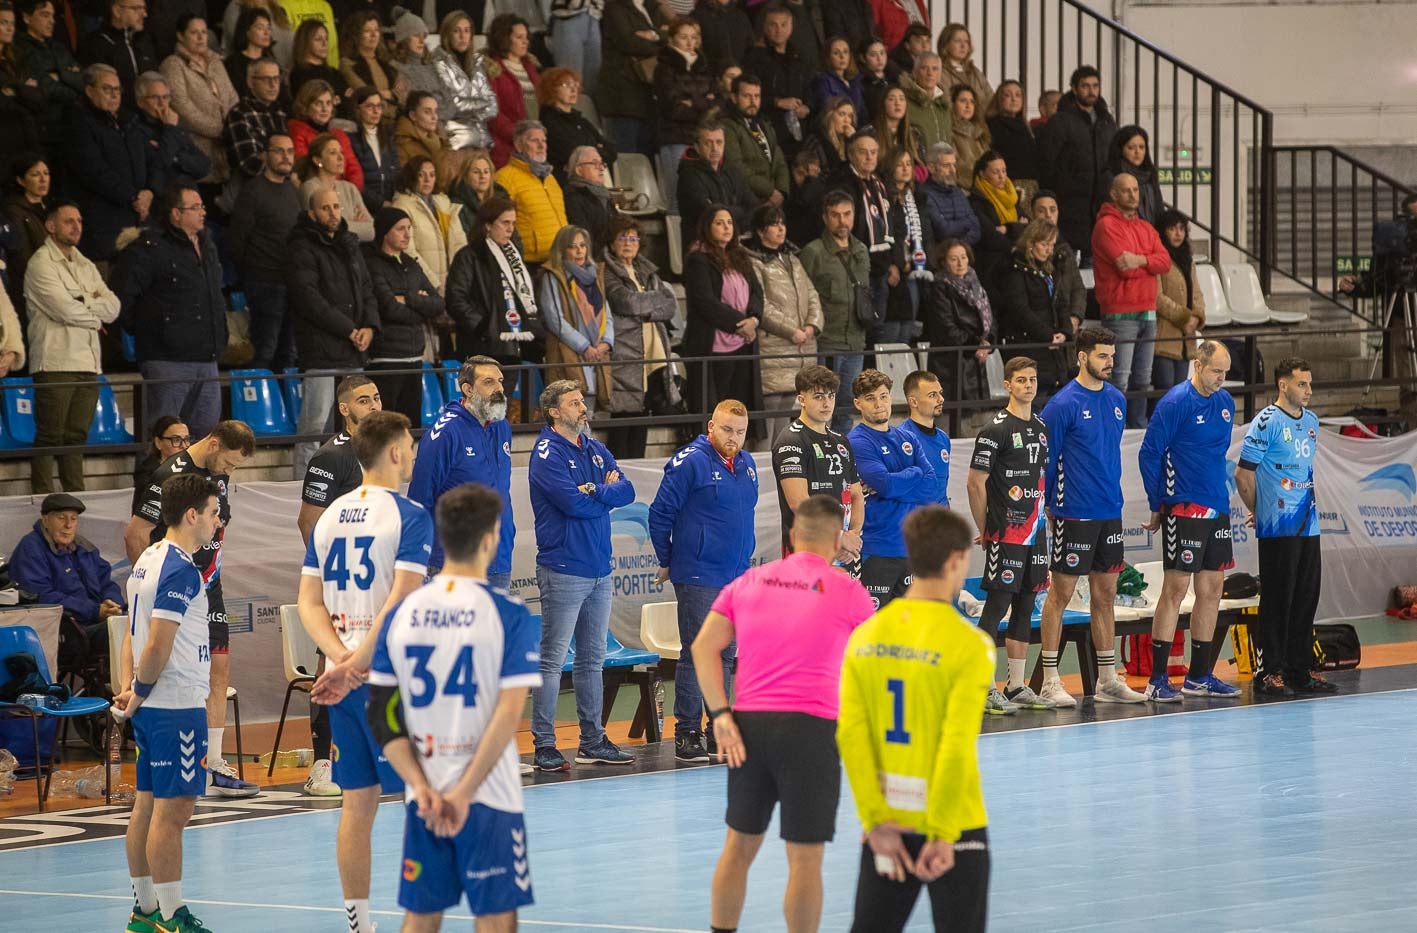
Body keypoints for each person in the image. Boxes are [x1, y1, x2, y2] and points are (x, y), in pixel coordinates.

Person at [355, 482, 538, 930]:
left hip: (426, 796)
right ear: (491, 536)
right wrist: (463, 792)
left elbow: (381, 713)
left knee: (420, 918)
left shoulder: (403, 613)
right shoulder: (509, 614)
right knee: (496, 919)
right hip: (488, 796)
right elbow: (508, 715)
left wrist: (422, 786)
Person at [695, 493, 876, 933]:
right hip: (811, 733)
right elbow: (875, 664)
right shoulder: (850, 592)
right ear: (838, 542)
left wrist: (720, 714)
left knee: (737, 848)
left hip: (749, 728)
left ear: (792, 536)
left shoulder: (749, 581)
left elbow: (703, 647)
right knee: (805, 859)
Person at [297, 410, 431, 933]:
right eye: (411, 448)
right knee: (426, 799)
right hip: (389, 679)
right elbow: (400, 599)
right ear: (395, 452)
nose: (414, 457)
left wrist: (340, 658)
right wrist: (360, 662)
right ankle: (422, 918)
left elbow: (308, 602)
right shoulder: (409, 514)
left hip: (342, 682)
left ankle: (360, 924)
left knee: (357, 806)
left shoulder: (329, 516)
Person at [838, 504, 995, 933]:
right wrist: (943, 833)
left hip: (888, 819)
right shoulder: (971, 645)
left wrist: (875, 822)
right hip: (954, 824)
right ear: (956, 560)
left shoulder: (866, 636)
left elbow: (851, 735)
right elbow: (955, 746)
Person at [125, 420, 259, 798]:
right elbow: (136, 533)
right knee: (170, 665)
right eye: (230, 463)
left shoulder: (217, 473)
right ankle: (175, 765)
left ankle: (212, 763)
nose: (229, 472)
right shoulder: (170, 475)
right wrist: (148, 590)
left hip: (208, 583)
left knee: (219, 667)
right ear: (213, 444)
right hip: (176, 582)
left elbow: (218, 527)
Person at [116, 472, 224, 933]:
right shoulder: (179, 567)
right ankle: (171, 916)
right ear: (192, 514)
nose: (219, 523)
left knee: (147, 803)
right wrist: (139, 691)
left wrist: (129, 689)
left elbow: (130, 635)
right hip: (174, 702)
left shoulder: (148, 559)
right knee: (173, 811)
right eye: (215, 513)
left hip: (154, 702)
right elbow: (158, 643)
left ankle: (143, 911)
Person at [527, 379, 637, 770]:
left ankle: (592, 740)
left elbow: (628, 492)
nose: (582, 407)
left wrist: (596, 492)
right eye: (573, 403)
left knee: (593, 660)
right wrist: (598, 494)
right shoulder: (545, 453)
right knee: (553, 660)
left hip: (599, 569)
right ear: (555, 411)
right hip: (564, 569)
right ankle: (544, 743)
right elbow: (572, 504)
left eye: (582, 401)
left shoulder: (594, 447)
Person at [1036, 326, 1147, 707]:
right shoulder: (1062, 405)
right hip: (1074, 512)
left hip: (1109, 511)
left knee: (1106, 594)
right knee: (1061, 593)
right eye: (1102, 356)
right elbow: (1046, 462)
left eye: (1112, 357)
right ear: (1082, 357)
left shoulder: (1116, 399)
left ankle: (1106, 679)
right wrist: (1050, 505)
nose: (1109, 363)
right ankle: (1050, 679)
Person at [648, 398, 757, 761]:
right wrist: (667, 558)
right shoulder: (690, 462)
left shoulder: (747, 463)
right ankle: (687, 731)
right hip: (698, 573)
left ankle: (717, 728)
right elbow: (660, 513)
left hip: (735, 574)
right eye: (726, 430)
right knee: (698, 652)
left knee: (725, 653)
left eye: (740, 432)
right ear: (710, 426)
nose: (733, 438)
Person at [1137, 339, 1241, 701]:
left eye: (1225, 373)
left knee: (1212, 591)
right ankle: (1157, 679)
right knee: (1175, 590)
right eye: (1216, 371)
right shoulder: (1175, 403)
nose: (1221, 379)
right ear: (1197, 365)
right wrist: (1157, 502)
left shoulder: (1226, 403)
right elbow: (1150, 453)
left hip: (1217, 506)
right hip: (1183, 507)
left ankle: (1199, 676)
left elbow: (1216, 454)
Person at [1236, 358, 1336, 697]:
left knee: (1306, 598)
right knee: (1278, 600)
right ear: (1283, 385)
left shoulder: (1311, 421)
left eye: (1309, 384)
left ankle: (1298, 670)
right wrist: (1258, 510)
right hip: (1278, 527)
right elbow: (1243, 475)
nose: (1308, 390)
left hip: (1308, 525)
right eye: (1301, 384)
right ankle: (1270, 673)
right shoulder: (1266, 422)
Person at [967, 355, 1053, 714]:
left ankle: (1016, 686)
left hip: (1036, 532)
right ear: (1008, 385)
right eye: (1021, 380)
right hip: (1007, 532)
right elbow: (975, 483)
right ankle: (983, 687)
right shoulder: (995, 429)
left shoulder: (1042, 427)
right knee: (997, 606)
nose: (1028, 386)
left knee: (1026, 604)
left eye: (1032, 379)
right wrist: (985, 528)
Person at [112, 186, 226, 441]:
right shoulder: (151, 248)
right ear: (176, 213)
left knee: (204, 436)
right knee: (163, 436)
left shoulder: (208, 245)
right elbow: (123, 294)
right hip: (167, 359)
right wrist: (153, 331)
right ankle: (153, 482)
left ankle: (195, 483)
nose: (202, 212)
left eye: (202, 207)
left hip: (207, 357)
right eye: (195, 207)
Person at [24, 200, 120, 494]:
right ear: (51, 226)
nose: (76, 226)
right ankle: (41, 497)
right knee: (50, 436)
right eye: (68, 221)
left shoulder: (85, 263)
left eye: (79, 220)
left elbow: (114, 307)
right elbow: (63, 309)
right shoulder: (40, 263)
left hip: (88, 363)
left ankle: (73, 497)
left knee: (76, 436)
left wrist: (84, 303)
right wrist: (94, 314)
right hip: (55, 361)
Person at [287, 185, 379, 475]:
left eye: (337, 207)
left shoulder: (349, 243)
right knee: (315, 427)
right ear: (312, 212)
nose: (333, 213)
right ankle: (302, 486)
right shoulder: (301, 245)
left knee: (354, 425)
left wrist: (369, 327)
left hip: (352, 351)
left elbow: (367, 289)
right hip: (321, 350)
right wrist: (350, 329)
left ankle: (350, 479)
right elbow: (309, 299)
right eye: (325, 208)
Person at [408, 355, 515, 585]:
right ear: (467, 389)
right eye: (489, 382)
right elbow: (419, 501)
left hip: (499, 557)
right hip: (452, 563)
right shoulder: (445, 434)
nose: (499, 389)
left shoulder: (502, 426)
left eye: (500, 381)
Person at [9, 492, 126, 680]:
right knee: (127, 629)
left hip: (94, 622)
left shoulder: (83, 547)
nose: (68, 525)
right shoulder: (31, 549)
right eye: (61, 518)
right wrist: (95, 610)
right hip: (66, 632)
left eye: (73, 519)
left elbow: (107, 581)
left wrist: (113, 603)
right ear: (45, 520)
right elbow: (42, 597)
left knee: (139, 622)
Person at [848, 368, 937, 609]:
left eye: (883, 396)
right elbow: (887, 485)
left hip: (909, 549)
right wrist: (914, 473)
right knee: (872, 631)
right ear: (858, 403)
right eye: (870, 398)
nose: (879, 404)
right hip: (876, 550)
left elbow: (930, 486)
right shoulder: (857, 441)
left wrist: (899, 482)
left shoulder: (907, 437)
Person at [1092, 172, 1170, 427]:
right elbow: (1122, 267)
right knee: (1118, 378)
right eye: (1126, 190)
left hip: (1148, 310)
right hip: (1119, 313)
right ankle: (1112, 428)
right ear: (1114, 194)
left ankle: (1137, 428)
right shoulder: (1106, 226)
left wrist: (1139, 259)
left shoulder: (1146, 227)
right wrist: (1149, 262)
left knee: (1142, 379)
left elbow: (1165, 262)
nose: (1132, 195)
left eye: (1136, 190)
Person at [602, 214, 677, 459]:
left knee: (643, 414)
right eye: (622, 237)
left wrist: (646, 309)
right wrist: (652, 305)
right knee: (624, 417)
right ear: (612, 242)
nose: (628, 243)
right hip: (625, 350)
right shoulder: (607, 270)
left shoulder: (646, 269)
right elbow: (626, 302)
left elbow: (670, 306)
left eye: (633, 238)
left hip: (651, 350)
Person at [769, 364, 864, 559]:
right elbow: (799, 503)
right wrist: (838, 537)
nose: (827, 403)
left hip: (844, 552)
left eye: (831, 396)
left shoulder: (841, 440)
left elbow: (856, 494)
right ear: (801, 399)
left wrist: (853, 535)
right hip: (807, 554)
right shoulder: (791, 440)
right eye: (819, 397)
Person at [746, 202, 821, 439]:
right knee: (770, 411)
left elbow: (812, 294)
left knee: (789, 405)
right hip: (775, 345)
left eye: (782, 224)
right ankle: (762, 465)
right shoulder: (753, 261)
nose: (780, 229)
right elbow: (761, 305)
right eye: (773, 224)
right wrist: (791, 331)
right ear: (760, 230)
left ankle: (778, 463)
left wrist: (812, 325)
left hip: (802, 345)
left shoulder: (793, 259)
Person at [683, 204, 763, 422]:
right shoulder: (698, 259)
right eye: (719, 223)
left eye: (729, 222)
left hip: (743, 343)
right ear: (707, 227)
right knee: (713, 411)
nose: (726, 227)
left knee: (736, 408)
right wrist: (741, 324)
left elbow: (757, 292)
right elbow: (705, 301)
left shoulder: (739, 255)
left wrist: (754, 319)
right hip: (712, 344)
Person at [364, 206, 445, 419]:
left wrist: (408, 298)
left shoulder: (411, 264)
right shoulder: (373, 264)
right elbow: (389, 308)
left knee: (410, 427)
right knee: (386, 427)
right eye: (401, 229)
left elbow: (437, 304)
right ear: (385, 232)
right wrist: (420, 306)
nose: (408, 234)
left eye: (409, 228)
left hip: (415, 357)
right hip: (386, 358)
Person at [230, 133, 302, 372]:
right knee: (265, 351)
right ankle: (258, 407)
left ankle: (281, 407)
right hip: (264, 282)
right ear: (265, 155)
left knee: (288, 353)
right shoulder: (253, 191)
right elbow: (237, 240)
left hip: (291, 282)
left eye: (290, 151)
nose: (286, 157)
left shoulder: (293, 190)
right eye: (279, 151)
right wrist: (253, 273)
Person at [799, 187, 868, 434]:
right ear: (825, 218)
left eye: (847, 214)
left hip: (855, 340)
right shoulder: (813, 252)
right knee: (820, 405)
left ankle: (841, 455)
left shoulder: (861, 250)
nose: (842, 221)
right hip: (826, 340)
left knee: (847, 406)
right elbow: (804, 297)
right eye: (836, 215)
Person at [65, 63, 150, 262]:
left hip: (135, 211)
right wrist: (133, 196)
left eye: (117, 89)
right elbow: (93, 170)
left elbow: (148, 159)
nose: (114, 95)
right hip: (103, 218)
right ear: (89, 90)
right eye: (106, 89)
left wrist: (149, 191)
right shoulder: (79, 122)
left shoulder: (128, 121)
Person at [444, 196, 540, 362]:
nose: (511, 229)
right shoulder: (469, 256)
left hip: (512, 346)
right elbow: (455, 298)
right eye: (505, 223)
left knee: (507, 389)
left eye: (513, 223)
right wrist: (483, 326)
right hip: (480, 346)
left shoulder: (513, 257)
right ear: (488, 225)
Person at [1039, 65, 1116, 258]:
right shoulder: (1060, 121)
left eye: (1095, 86)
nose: (1091, 91)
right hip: (1070, 207)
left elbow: (1113, 158)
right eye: (1085, 86)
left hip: (1101, 207)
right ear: (1074, 89)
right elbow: (1047, 163)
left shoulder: (1107, 122)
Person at [297, 374, 382, 544]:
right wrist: (322, 566)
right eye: (364, 401)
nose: (374, 406)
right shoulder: (330, 457)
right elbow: (307, 522)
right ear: (344, 409)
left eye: (376, 398)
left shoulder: (382, 446)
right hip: (344, 557)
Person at [994, 218, 1071, 399]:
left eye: (1052, 245)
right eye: (1044, 244)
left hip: (1054, 350)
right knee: (1034, 403)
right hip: (1030, 346)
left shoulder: (1050, 270)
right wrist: (1048, 335)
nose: (1049, 250)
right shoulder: (1014, 271)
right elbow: (1020, 309)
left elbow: (1061, 303)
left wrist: (1065, 332)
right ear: (1030, 243)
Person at [539, 224, 612, 413]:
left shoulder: (596, 274)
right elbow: (555, 320)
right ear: (562, 250)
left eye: (583, 245)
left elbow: (607, 313)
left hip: (597, 355)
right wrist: (585, 347)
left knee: (589, 419)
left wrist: (606, 343)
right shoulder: (553, 276)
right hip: (571, 353)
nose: (579, 251)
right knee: (570, 417)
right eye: (573, 246)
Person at [160, 15, 238, 186]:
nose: (201, 37)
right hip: (197, 150)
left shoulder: (216, 61)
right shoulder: (173, 64)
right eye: (194, 32)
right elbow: (181, 107)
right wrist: (220, 130)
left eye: (204, 32)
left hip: (226, 151)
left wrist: (232, 126)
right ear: (180, 36)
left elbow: (232, 95)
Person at [655, 16, 716, 214]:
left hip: (703, 139)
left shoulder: (705, 66)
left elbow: (718, 104)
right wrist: (704, 102)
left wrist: (691, 102)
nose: (690, 43)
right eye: (684, 37)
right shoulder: (664, 68)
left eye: (694, 37)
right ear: (672, 39)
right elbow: (673, 108)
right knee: (677, 195)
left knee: (704, 196)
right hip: (675, 138)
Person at [924, 239, 995, 401]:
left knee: (978, 419)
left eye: (963, 257)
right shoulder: (939, 287)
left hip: (976, 363)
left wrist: (988, 342)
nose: (960, 263)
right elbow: (947, 327)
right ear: (944, 262)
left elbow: (990, 318)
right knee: (954, 419)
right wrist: (975, 346)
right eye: (954, 259)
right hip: (951, 364)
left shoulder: (976, 283)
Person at [740, 5, 812, 158]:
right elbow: (747, 96)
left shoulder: (799, 57)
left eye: (783, 24)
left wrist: (807, 107)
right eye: (773, 25)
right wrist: (777, 102)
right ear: (765, 27)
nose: (778, 30)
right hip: (769, 130)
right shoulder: (754, 58)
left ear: (791, 27)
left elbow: (809, 90)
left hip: (799, 133)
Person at [392, 154, 466, 295]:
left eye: (432, 175)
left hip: (453, 284)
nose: (427, 180)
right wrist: (433, 283)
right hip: (426, 287)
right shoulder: (402, 206)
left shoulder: (444, 203)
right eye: (421, 175)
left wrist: (462, 278)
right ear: (411, 176)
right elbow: (408, 251)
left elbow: (459, 243)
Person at [495, 119, 566, 265]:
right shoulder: (505, 177)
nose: (541, 146)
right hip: (529, 263)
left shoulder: (551, 178)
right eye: (534, 141)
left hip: (559, 259)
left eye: (544, 141)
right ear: (519, 145)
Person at [15, 0, 83, 152]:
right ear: (26, 18)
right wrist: (74, 88)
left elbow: (83, 79)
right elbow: (46, 87)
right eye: (45, 15)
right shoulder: (20, 49)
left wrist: (60, 75)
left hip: (72, 123)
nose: (52, 21)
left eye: (52, 16)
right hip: (46, 128)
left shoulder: (58, 46)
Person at [881, 148, 932, 342]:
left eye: (909, 164)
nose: (905, 168)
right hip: (895, 267)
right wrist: (896, 262)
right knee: (892, 330)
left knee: (908, 328)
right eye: (900, 164)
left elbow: (925, 231)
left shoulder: (916, 196)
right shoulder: (885, 195)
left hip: (915, 267)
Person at [132, 71, 212, 194]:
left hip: (188, 195)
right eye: (154, 97)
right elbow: (159, 166)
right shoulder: (135, 131)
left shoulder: (175, 125)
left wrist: (176, 158)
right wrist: (170, 128)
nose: (162, 103)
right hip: (162, 199)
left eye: (165, 97)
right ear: (140, 102)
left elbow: (204, 166)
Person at [1153, 207, 1205, 392]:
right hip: (1164, 336)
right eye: (1172, 229)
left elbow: (1197, 294)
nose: (1178, 233)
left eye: (1182, 229)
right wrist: (1185, 318)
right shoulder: (1158, 258)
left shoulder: (1187, 259)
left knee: (1180, 390)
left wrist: (1197, 317)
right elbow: (1157, 297)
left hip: (1186, 339)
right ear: (1162, 231)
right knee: (1165, 389)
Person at [720, 73, 790, 208]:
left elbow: (780, 161)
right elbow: (736, 167)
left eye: (757, 96)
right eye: (746, 96)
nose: (753, 101)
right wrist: (770, 191)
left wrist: (781, 191)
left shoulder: (765, 124)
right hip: (747, 201)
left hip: (774, 201)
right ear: (734, 98)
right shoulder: (728, 126)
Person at [539, 66, 615, 189]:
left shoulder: (580, 120)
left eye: (576, 85)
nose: (574, 89)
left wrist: (590, 154)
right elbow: (571, 156)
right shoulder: (549, 122)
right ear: (551, 89)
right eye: (567, 85)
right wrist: (596, 149)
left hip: (591, 183)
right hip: (568, 186)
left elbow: (611, 151)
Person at [432, 10, 498, 150]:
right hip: (453, 143)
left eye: (467, 31)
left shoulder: (477, 63)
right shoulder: (438, 64)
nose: (463, 36)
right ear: (447, 34)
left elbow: (493, 105)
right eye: (457, 31)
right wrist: (482, 104)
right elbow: (453, 105)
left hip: (481, 142)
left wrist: (473, 108)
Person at [677, 119, 755, 236]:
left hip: (734, 239)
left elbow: (752, 205)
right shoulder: (688, 175)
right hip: (702, 245)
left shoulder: (732, 171)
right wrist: (739, 211)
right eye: (708, 143)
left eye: (719, 142)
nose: (714, 148)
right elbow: (712, 214)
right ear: (697, 147)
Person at [78, 0, 158, 111]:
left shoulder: (145, 40)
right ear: (117, 11)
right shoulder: (96, 44)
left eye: (144, 8)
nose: (145, 14)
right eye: (137, 8)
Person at [483, 13, 539, 166]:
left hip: (534, 145)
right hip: (506, 147)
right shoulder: (492, 69)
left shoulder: (531, 67)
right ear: (505, 39)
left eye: (526, 37)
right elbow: (492, 112)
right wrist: (518, 135)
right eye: (519, 37)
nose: (525, 41)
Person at [300, 131, 376, 241]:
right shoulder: (310, 188)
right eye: (333, 153)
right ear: (318, 160)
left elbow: (371, 231)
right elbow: (326, 230)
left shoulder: (350, 188)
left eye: (341, 152)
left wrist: (342, 224)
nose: (341, 157)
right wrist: (356, 224)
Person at [1028, 189, 1085, 335]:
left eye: (1053, 210)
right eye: (1042, 210)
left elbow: (1078, 288)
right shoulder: (1024, 249)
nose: (1048, 215)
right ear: (1032, 214)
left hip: (1065, 328)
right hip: (1037, 331)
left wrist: (1075, 317)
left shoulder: (1065, 249)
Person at [290, 79, 363, 190]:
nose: (325, 109)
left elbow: (354, 169)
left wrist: (350, 192)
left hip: (345, 193)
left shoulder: (339, 135)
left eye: (328, 103)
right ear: (305, 107)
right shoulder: (296, 131)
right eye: (318, 104)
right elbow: (306, 169)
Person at [225, 56, 287, 179]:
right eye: (266, 79)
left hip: (280, 182)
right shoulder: (240, 113)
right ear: (251, 82)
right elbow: (248, 164)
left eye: (276, 78)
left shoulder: (280, 112)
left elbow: (288, 157)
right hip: (252, 187)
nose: (273, 85)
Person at [4, 153, 52, 314]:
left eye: (46, 173)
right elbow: (21, 258)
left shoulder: (52, 209)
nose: (43, 179)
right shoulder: (13, 212)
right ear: (20, 180)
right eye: (35, 174)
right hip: (33, 288)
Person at [968, 149, 1026, 280]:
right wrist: (1018, 229)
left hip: (1017, 258)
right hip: (993, 264)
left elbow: (1031, 228)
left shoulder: (1012, 197)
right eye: (995, 172)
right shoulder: (976, 202)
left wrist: (1007, 228)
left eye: (1004, 170)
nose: (1002, 176)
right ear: (982, 174)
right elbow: (991, 237)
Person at [896, 370, 950, 506]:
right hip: (914, 522)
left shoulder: (944, 439)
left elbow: (942, 488)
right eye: (933, 395)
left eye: (940, 393)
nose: (941, 399)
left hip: (941, 519)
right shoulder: (900, 438)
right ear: (913, 402)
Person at [985, 80, 1040, 201]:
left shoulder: (1026, 126)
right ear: (999, 99)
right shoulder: (993, 125)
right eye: (1008, 95)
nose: (1014, 99)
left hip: (1030, 186)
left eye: (1018, 95)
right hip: (1006, 185)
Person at [1100, 124, 1166, 227]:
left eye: (1141, 147)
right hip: (1124, 232)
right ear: (1121, 150)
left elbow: (1159, 208)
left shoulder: (1149, 173)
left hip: (1152, 234)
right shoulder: (1111, 175)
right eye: (1131, 147)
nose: (1137, 152)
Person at [919, 142, 980, 246]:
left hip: (964, 254)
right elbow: (943, 231)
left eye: (954, 165)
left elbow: (977, 229)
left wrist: (960, 247)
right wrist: (966, 223)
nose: (953, 170)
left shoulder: (958, 193)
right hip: (940, 257)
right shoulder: (925, 194)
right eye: (947, 165)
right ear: (931, 168)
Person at [339, 10, 398, 115]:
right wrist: (390, 94)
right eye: (367, 30)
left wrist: (391, 95)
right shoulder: (347, 63)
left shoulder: (386, 62)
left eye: (376, 30)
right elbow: (366, 94)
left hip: (393, 118)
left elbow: (403, 94)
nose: (374, 34)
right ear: (356, 35)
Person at [563, 145, 615, 261]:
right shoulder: (574, 197)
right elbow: (584, 239)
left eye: (602, 163)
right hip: (594, 260)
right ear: (579, 170)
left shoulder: (604, 195)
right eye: (594, 163)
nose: (601, 168)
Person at [868, 86, 926, 185]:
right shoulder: (870, 133)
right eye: (891, 99)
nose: (897, 103)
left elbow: (922, 169)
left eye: (901, 99)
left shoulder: (914, 134)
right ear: (883, 104)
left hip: (909, 189)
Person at [545, 0, 602, 101]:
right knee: (569, 80)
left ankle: (585, 115)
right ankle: (564, 116)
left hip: (595, 16)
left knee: (591, 86)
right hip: (567, 16)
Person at [133, 416, 190, 513]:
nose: (184, 445)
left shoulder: (192, 468)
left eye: (186, 439)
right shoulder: (148, 475)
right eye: (176, 440)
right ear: (158, 442)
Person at [445, 148, 507, 237]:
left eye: (486, 172)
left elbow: (513, 235)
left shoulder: (502, 201)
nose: (482, 176)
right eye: (476, 172)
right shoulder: (458, 205)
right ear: (465, 176)